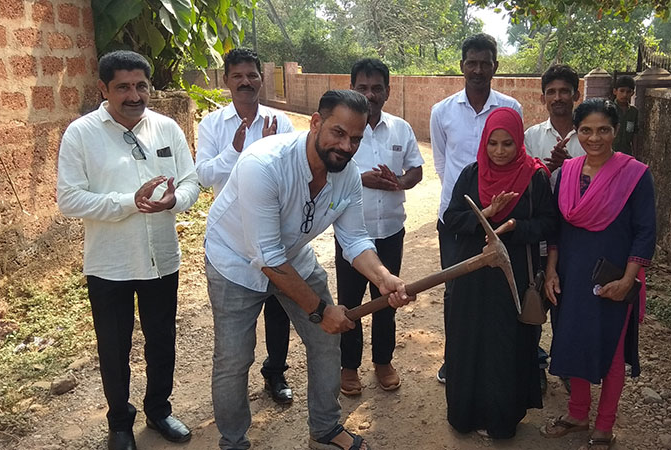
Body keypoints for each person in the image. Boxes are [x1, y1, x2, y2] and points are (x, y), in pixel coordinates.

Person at [204, 89, 413, 450]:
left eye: (357, 139)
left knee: (325, 340)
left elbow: (355, 239)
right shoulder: (264, 164)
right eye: (338, 133)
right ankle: (234, 441)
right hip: (235, 262)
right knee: (235, 358)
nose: (347, 146)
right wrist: (319, 310)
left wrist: (384, 278)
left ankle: (325, 429)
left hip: (293, 258)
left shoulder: (346, 175)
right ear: (316, 123)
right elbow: (267, 255)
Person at [57, 50, 199, 450]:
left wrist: (174, 201)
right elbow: (69, 200)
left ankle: (159, 410)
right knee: (114, 348)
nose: (134, 95)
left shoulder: (167, 128)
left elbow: (190, 182)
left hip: (161, 260)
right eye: (123, 87)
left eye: (141, 86)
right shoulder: (81, 134)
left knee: (161, 339)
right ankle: (119, 422)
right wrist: (128, 202)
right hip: (109, 264)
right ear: (103, 89)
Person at [541, 98, 656, 450]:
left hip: (614, 276)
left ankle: (604, 426)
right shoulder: (565, 175)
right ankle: (577, 414)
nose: (595, 138)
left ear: (615, 131)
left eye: (603, 130)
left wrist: (628, 280)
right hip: (571, 274)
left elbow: (645, 230)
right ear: (576, 133)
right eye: (586, 130)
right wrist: (550, 272)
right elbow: (555, 231)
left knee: (612, 352)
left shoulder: (635, 175)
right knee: (573, 342)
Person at [443, 107, 557, 439]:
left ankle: (501, 418)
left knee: (506, 343)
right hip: (473, 271)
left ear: (519, 141)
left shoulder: (535, 178)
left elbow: (549, 224)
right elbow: (452, 218)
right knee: (470, 338)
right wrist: (487, 213)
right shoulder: (471, 174)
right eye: (493, 143)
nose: (500, 151)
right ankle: (466, 413)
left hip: (513, 275)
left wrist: (515, 226)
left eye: (508, 143)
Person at [195, 48, 296, 405]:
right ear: (226, 81)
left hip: (275, 233)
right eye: (237, 76)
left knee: (279, 309)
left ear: (261, 78)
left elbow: (292, 173)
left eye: (252, 75)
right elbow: (203, 176)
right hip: (234, 241)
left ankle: (276, 373)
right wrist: (233, 152)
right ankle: (233, 405)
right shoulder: (212, 125)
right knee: (236, 328)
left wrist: (269, 146)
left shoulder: (279, 123)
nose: (245, 82)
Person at [430, 33, 523, 383]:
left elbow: (515, 158)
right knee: (456, 291)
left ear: (495, 66)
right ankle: (454, 359)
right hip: (457, 220)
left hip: (502, 219)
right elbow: (442, 163)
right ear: (462, 66)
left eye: (486, 62)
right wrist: (467, 201)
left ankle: (491, 359)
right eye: (472, 62)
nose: (478, 69)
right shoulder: (442, 111)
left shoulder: (510, 109)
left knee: (495, 289)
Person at [337, 58, 424, 395]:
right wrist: (363, 180)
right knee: (351, 303)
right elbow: (329, 174)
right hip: (350, 234)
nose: (370, 94)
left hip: (390, 231)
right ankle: (349, 368)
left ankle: (383, 362)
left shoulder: (401, 129)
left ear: (387, 91)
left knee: (389, 299)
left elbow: (416, 169)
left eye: (376, 88)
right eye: (362, 88)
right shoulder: (344, 130)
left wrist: (399, 182)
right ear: (352, 89)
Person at [524, 64, 585, 395]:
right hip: (540, 234)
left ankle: (567, 365)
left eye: (565, 91)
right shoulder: (532, 137)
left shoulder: (589, 134)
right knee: (533, 297)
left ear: (576, 94)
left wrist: (571, 169)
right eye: (552, 92)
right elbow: (523, 186)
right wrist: (548, 169)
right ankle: (534, 364)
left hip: (576, 236)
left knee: (569, 302)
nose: (558, 97)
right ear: (544, 96)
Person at [611, 76, 638, 155]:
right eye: (622, 91)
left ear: (632, 93)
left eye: (628, 92)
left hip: (626, 152)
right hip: (609, 152)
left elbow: (635, 133)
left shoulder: (633, 112)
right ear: (615, 91)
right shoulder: (608, 108)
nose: (625, 94)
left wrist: (635, 154)